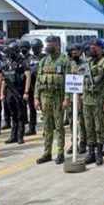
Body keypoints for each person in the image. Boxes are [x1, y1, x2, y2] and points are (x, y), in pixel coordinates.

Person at [34, 36, 71, 164]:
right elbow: (38, 80)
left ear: (57, 44)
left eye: (51, 43)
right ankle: (47, 152)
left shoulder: (64, 61)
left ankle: (60, 152)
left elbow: (68, 81)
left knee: (59, 126)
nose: (49, 46)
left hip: (58, 98)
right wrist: (36, 98)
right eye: (47, 43)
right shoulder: (44, 61)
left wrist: (67, 99)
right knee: (47, 127)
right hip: (45, 98)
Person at [81, 39, 104, 166]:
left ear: (100, 48)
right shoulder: (87, 62)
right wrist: (81, 95)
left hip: (99, 100)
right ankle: (91, 153)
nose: (92, 50)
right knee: (89, 127)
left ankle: (99, 153)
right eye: (91, 47)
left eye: (95, 47)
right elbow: (83, 81)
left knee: (99, 127)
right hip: (87, 100)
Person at [2, 42, 31, 145]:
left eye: (11, 52)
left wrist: (26, 92)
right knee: (13, 114)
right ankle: (13, 136)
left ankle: (20, 136)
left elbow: (28, 77)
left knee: (20, 115)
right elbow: (4, 79)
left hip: (20, 91)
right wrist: (2, 93)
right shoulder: (8, 62)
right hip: (10, 91)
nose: (9, 54)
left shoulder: (23, 62)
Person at [25, 39, 44, 136]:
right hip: (32, 86)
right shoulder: (29, 59)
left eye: (37, 48)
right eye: (34, 48)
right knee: (32, 108)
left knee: (45, 108)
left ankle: (47, 128)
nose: (35, 49)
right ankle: (32, 128)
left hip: (42, 86)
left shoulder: (45, 57)